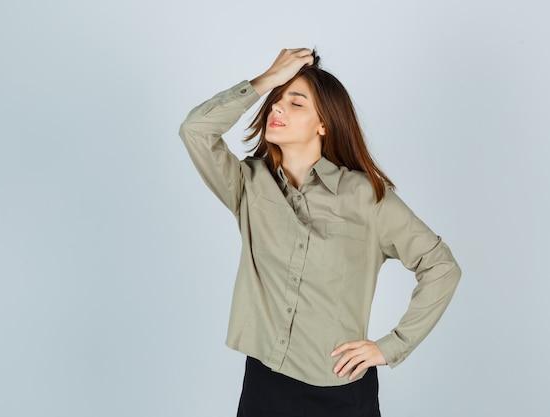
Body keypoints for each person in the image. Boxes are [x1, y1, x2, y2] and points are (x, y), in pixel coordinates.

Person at [179, 48, 461, 417]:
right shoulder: (248, 185)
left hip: (340, 392)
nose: (277, 108)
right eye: (275, 100)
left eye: (295, 103)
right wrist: (267, 78)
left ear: (323, 124)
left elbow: (440, 266)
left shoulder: (365, 197)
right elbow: (195, 130)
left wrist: (390, 347)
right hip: (264, 384)